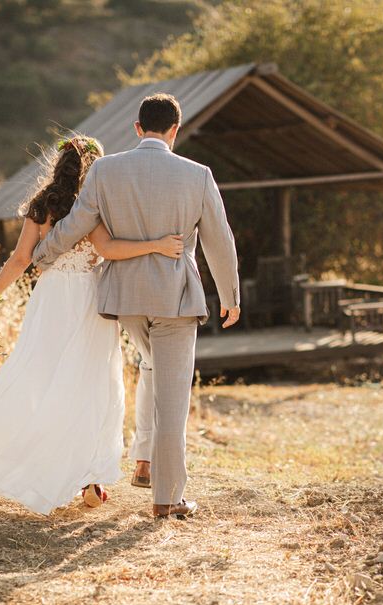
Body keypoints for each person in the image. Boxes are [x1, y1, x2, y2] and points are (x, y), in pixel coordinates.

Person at [0, 135, 184, 515]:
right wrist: (158, 245)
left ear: (58, 164)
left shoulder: (42, 206)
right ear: (93, 168)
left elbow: (19, 261)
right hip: (89, 302)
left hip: (50, 300)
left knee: (40, 378)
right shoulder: (91, 206)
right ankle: (88, 479)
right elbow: (111, 251)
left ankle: (46, 464)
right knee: (90, 383)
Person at [32, 94, 241, 519]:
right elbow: (221, 241)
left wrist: (42, 255)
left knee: (151, 370)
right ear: (175, 130)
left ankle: (145, 460)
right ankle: (167, 499)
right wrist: (231, 296)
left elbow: (77, 224)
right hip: (175, 301)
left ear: (137, 127)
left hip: (125, 301)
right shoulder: (198, 175)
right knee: (172, 396)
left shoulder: (106, 171)